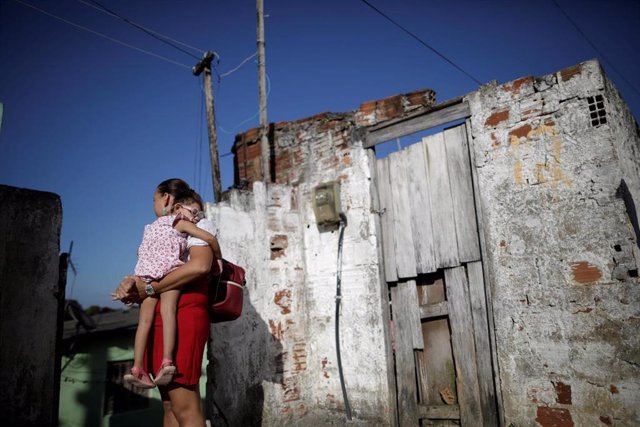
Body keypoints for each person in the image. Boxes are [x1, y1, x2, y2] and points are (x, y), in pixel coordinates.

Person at [113, 178, 220, 427]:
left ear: (167, 198)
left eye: (154, 198)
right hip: (162, 314)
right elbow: (151, 270)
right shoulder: (157, 229)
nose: (153, 204)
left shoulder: (196, 223)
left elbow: (201, 265)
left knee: (185, 405)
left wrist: (149, 287)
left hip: (183, 313)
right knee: (170, 405)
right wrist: (132, 286)